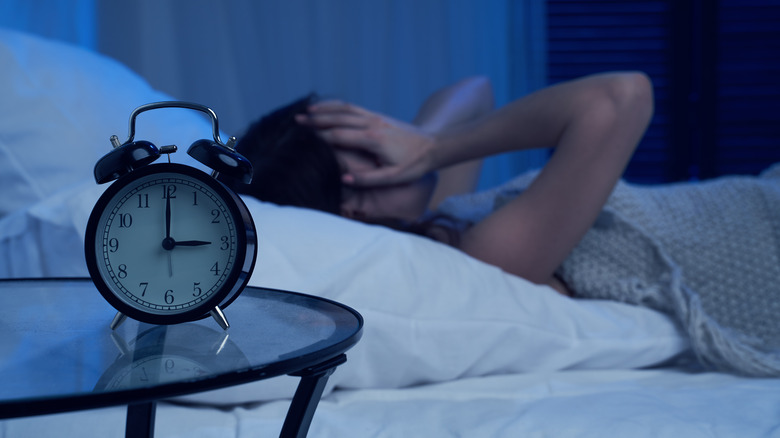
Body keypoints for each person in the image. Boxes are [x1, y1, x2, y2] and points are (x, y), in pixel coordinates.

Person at [225, 71, 780, 377]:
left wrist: (423, 143)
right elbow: (621, 97)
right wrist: (435, 147)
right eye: (368, 151)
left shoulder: (436, 212)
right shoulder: (486, 255)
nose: (391, 143)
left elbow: (472, 91)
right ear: (354, 210)